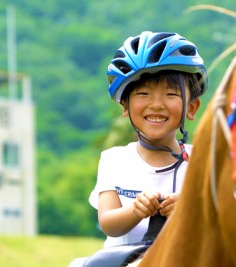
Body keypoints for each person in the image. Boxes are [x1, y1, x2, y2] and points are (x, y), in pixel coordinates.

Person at [68, 31, 207, 267]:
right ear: (125, 105)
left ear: (191, 108)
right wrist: (136, 210)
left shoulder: (200, 163)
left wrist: (189, 210)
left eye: (170, 94)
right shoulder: (115, 160)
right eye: (143, 93)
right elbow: (108, 223)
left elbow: (216, 224)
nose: (156, 104)